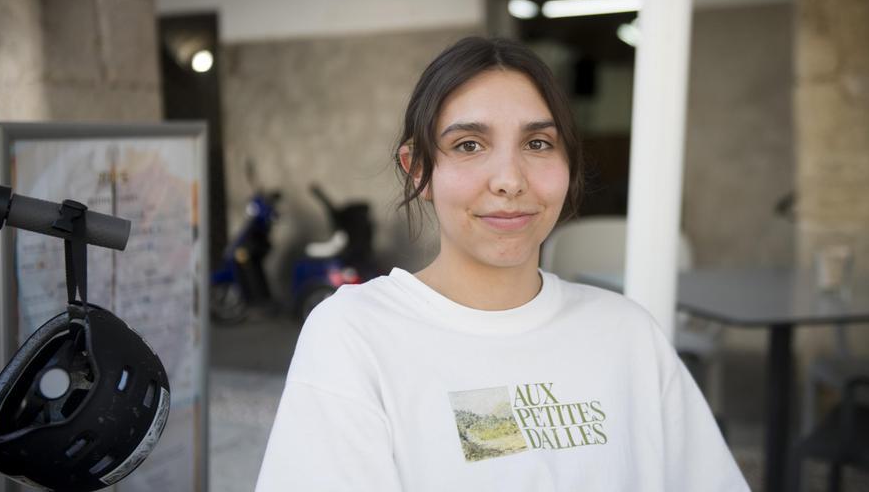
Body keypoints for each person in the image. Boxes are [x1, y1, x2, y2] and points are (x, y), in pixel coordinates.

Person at [255, 36, 749, 491]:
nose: (509, 180)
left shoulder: (627, 334)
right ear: (419, 169)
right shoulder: (356, 335)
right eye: (469, 145)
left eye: (537, 144)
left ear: (568, 165)